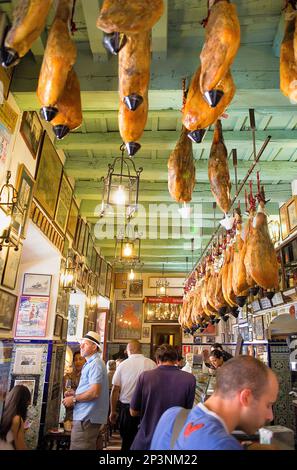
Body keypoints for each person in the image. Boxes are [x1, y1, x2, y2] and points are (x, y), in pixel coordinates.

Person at [151, 356, 279, 450]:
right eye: (268, 405)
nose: (270, 416)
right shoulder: (223, 446)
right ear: (246, 397)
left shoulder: (171, 415)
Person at [130, 344, 196, 450]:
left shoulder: (145, 377)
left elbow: (133, 412)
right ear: (176, 360)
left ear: (157, 360)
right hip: (174, 440)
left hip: (147, 438)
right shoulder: (190, 379)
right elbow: (187, 412)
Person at [62, 331, 109, 450]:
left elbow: (94, 392)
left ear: (94, 347)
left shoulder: (95, 364)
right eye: (81, 344)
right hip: (87, 417)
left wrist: (73, 398)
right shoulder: (92, 363)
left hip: (87, 418)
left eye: (85, 344)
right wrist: (75, 393)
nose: (81, 346)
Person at [109, 340, 156, 451]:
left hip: (127, 409)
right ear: (140, 349)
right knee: (145, 443)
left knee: (127, 442)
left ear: (129, 350)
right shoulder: (152, 364)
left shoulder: (122, 365)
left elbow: (115, 390)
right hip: (147, 409)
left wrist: (113, 411)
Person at [0, 385, 31, 450]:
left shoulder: (3, 414)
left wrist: (21, 431)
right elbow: (20, 447)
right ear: (22, 402)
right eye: (27, 405)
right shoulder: (17, 419)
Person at [63, 351, 86, 422]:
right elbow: (65, 393)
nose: (78, 362)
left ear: (85, 361)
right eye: (75, 360)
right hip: (71, 410)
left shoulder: (88, 375)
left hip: (84, 409)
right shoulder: (69, 376)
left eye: (80, 359)